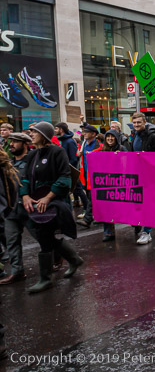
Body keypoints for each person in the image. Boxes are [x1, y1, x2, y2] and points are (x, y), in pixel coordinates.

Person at [22, 122, 82, 293]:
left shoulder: (57, 151)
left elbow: (65, 178)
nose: (31, 134)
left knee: (44, 236)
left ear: (44, 135)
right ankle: (74, 259)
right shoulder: (32, 154)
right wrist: (25, 195)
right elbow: (25, 178)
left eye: (34, 132)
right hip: (35, 202)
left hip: (53, 202)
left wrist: (48, 197)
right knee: (45, 236)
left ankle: (46, 279)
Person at [131, 112, 155, 244]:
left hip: (151, 174)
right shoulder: (135, 135)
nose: (136, 125)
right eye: (134, 122)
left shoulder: (153, 135)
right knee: (140, 202)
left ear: (144, 122)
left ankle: (146, 232)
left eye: (138, 122)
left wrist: (148, 156)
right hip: (138, 173)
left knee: (148, 203)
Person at [0, 133, 30, 285]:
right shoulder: (8, 164)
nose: (11, 144)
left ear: (25, 144)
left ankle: (62, 256)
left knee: (43, 237)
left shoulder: (32, 161)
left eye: (15, 142)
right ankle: (17, 271)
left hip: (29, 208)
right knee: (12, 241)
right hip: (12, 209)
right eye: (10, 141)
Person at [99, 130, 127, 242]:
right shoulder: (103, 150)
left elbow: (129, 162)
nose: (110, 139)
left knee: (126, 206)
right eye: (108, 137)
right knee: (107, 207)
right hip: (108, 182)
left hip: (121, 182)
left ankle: (136, 225)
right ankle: (108, 232)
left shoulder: (122, 148)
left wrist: (120, 157)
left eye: (112, 137)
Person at [76, 123, 102, 228]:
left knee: (92, 198)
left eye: (86, 132)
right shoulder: (83, 144)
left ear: (93, 134)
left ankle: (87, 219)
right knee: (91, 197)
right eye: (84, 132)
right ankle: (99, 217)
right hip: (85, 175)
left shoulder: (99, 145)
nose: (84, 134)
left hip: (94, 175)